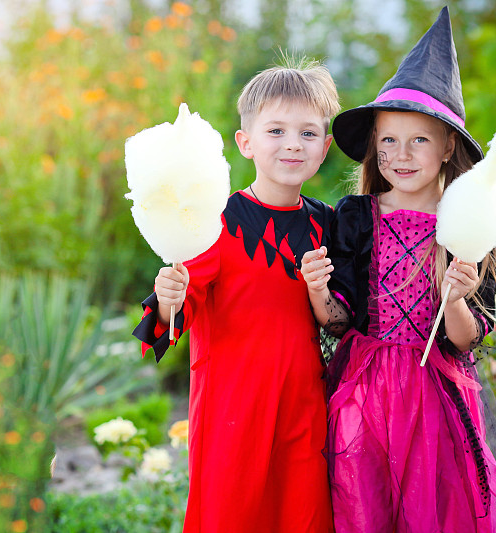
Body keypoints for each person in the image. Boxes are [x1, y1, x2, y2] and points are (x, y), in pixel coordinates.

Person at [301, 7, 496, 532]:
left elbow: (464, 340)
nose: (400, 155)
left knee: (432, 510)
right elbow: (340, 321)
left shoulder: (471, 227)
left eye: (419, 140)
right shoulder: (356, 217)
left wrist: (455, 296)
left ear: (448, 145)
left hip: (435, 397)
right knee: (363, 508)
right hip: (363, 395)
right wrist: (319, 293)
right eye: (388, 140)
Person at [133, 57, 340, 533]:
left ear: (325, 147)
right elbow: (175, 311)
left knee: (303, 515)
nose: (293, 144)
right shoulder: (214, 220)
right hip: (234, 407)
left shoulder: (329, 224)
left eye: (308, 133)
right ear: (245, 143)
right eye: (276, 131)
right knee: (233, 515)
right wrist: (169, 297)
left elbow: (343, 317)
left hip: (304, 404)